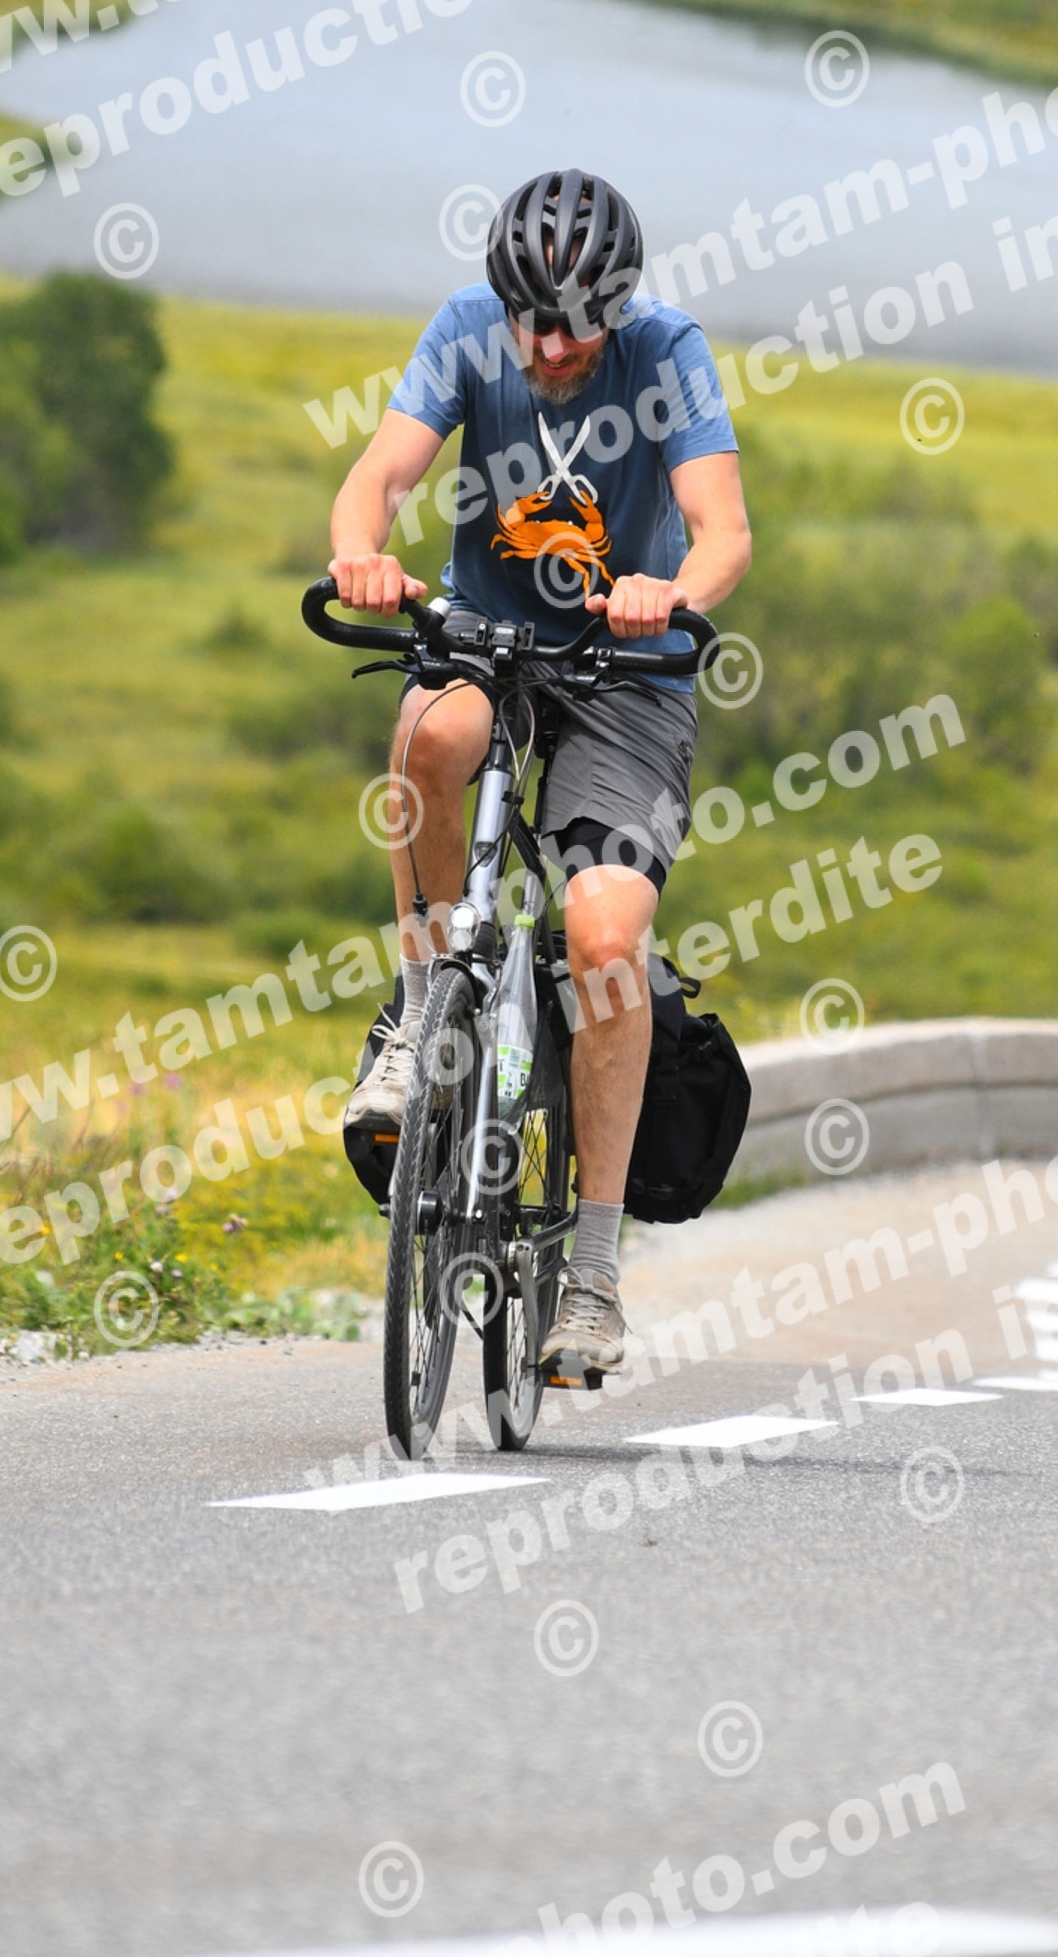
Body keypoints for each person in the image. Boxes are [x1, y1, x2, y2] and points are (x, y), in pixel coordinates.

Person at [328, 170, 751, 1379]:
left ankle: (594, 1279)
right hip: (484, 639)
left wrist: (671, 591)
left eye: (576, 325)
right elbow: (381, 475)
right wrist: (361, 553)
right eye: (531, 321)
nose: (551, 346)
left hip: (626, 669)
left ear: (619, 305)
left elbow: (723, 528)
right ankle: (420, 1017)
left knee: (605, 938)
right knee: (430, 735)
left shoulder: (667, 350)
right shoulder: (469, 328)